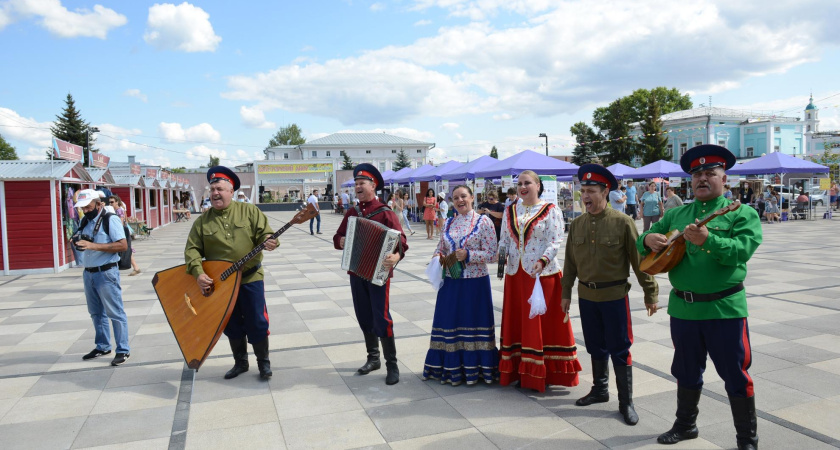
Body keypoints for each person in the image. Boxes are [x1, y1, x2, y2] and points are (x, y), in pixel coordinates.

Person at [639, 145, 762, 449]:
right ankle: (685, 426)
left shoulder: (742, 213)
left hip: (724, 309)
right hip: (684, 309)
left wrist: (709, 240)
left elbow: (742, 251)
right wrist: (648, 238)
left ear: (724, 179)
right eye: (697, 174)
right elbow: (644, 243)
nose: (702, 179)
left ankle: (747, 439)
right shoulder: (677, 214)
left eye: (710, 173)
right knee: (685, 371)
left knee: (735, 374)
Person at [561, 164, 659, 426]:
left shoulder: (622, 222)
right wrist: (565, 293)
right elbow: (570, 263)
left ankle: (626, 402)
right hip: (587, 297)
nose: (585, 196)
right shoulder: (577, 224)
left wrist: (650, 292)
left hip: (614, 297)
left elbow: (639, 260)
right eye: (583, 191)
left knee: (620, 348)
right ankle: (600, 390)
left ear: (605, 192)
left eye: (591, 191)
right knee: (594, 345)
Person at [185, 166, 279, 380]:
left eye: (219, 189)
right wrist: (198, 273)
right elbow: (192, 250)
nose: (215, 193)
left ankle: (263, 363)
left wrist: (270, 240)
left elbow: (265, 233)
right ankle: (240, 363)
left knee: (257, 321)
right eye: (212, 190)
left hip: (250, 278)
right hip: (222, 283)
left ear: (231, 191)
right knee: (231, 323)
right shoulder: (202, 221)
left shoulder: (250, 211)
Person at [497, 170, 581, 392]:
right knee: (518, 321)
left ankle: (546, 372)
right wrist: (501, 256)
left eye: (527, 183)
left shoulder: (551, 210)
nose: (522, 187)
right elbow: (504, 239)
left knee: (542, 324)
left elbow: (556, 240)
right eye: (519, 184)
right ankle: (520, 370)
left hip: (542, 275)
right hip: (515, 275)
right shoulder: (510, 210)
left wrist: (543, 260)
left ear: (538, 185)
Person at [333, 164, 408, 385]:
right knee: (363, 315)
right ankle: (373, 358)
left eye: (361, 183)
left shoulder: (385, 212)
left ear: (373, 185)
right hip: (357, 271)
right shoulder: (352, 212)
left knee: (381, 317)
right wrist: (342, 241)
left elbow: (402, 241)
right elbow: (337, 237)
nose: (357, 187)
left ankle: (392, 365)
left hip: (379, 273)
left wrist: (396, 256)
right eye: (356, 184)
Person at [423, 185, 499, 385]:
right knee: (450, 322)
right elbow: (440, 247)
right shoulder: (449, 222)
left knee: (473, 323)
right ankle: (450, 368)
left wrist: (469, 255)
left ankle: (477, 369)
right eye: (456, 198)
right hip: (450, 282)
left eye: (463, 196)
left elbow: (493, 254)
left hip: (475, 284)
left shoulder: (484, 222)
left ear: (472, 198)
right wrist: (437, 256)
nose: (460, 201)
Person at [73, 189, 131, 366]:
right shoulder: (85, 220)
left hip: (106, 272)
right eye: (82, 208)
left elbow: (122, 245)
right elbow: (83, 239)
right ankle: (103, 346)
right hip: (89, 272)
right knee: (96, 313)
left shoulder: (110, 219)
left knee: (115, 312)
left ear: (98, 204)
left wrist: (92, 245)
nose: (85, 210)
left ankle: (123, 350)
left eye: (88, 207)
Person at [108, 195, 141, 276]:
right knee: (127, 250)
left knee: (126, 250)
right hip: (120, 232)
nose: (110, 204)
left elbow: (121, 222)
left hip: (122, 232)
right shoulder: (113, 210)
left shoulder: (119, 210)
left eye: (112, 202)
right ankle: (136, 268)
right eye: (109, 202)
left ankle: (135, 267)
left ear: (117, 202)